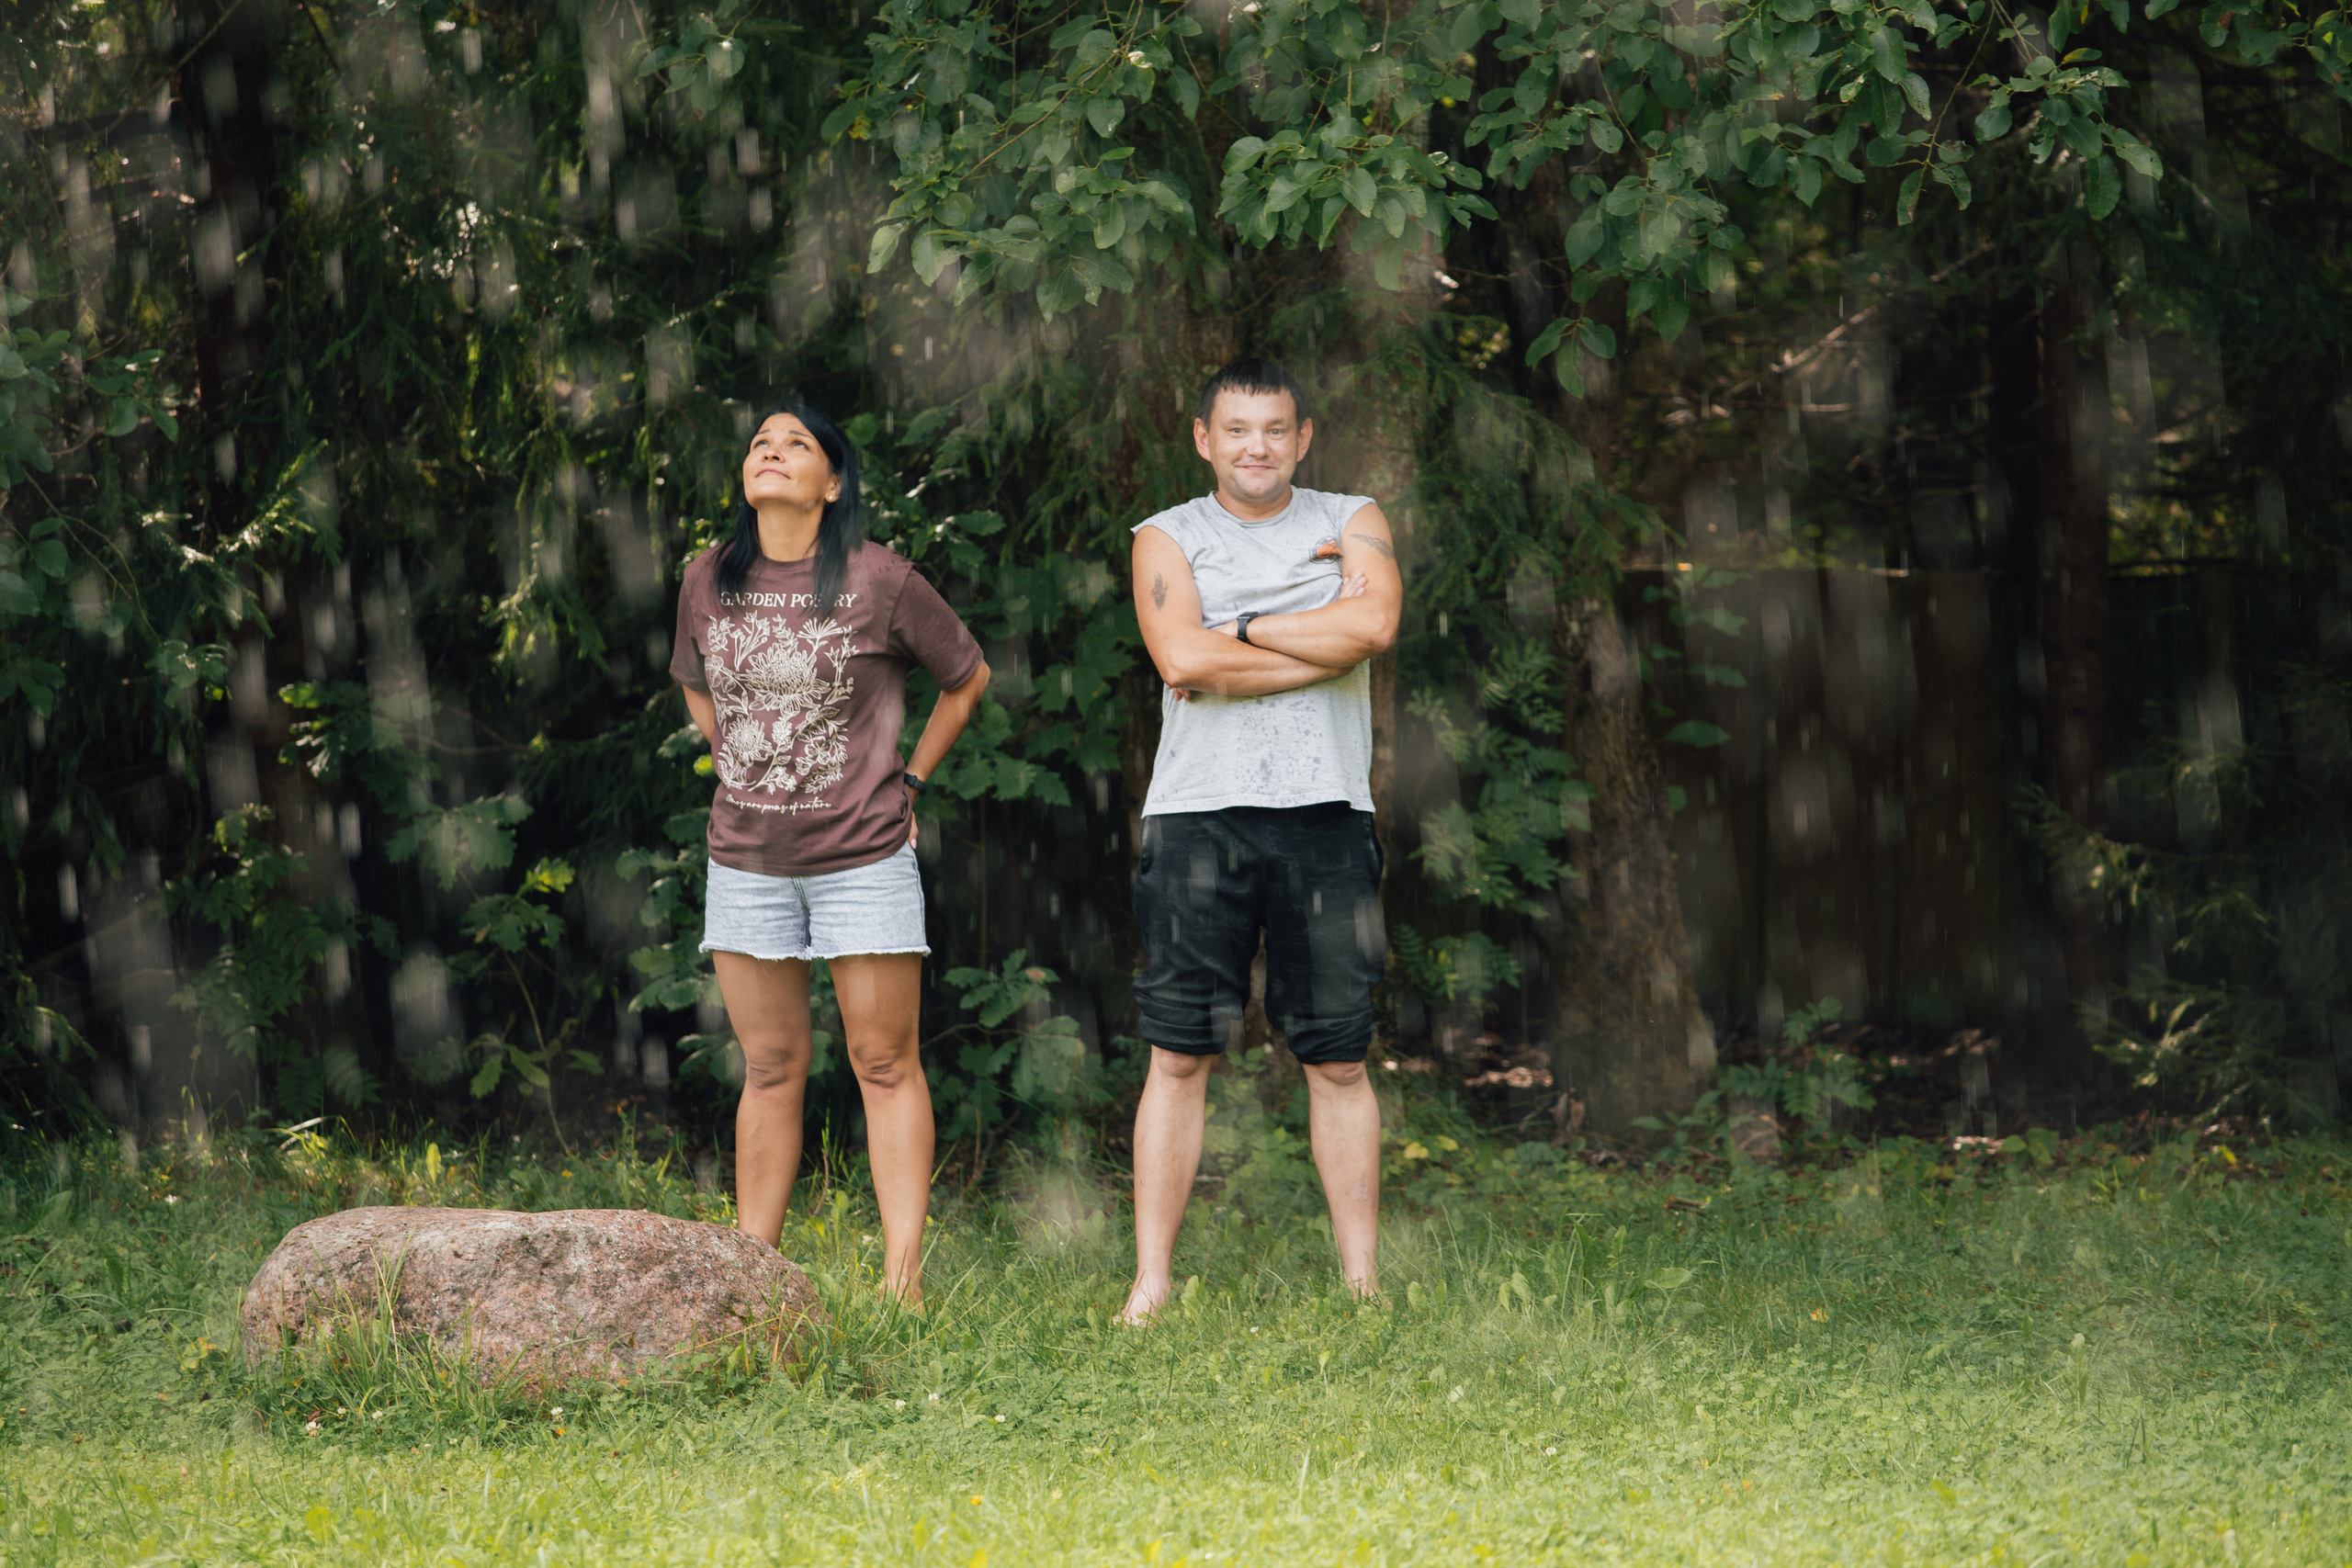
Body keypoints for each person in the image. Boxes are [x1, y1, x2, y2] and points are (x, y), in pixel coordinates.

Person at [671, 405, 989, 1305]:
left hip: (862, 855)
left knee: (883, 1063)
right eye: (760, 443)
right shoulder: (706, 580)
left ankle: (902, 1280)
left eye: (797, 444)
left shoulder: (879, 580)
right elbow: (699, 691)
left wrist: (912, 782)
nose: (772, 452)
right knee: (770, 1069)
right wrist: (744, 762)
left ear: (834, 483)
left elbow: (967, 681)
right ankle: (751, 1280)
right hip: (745, 859)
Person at [1118, 357, 1403, 1325]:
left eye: (1274, 429)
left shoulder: (1352, 519)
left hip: (1327, 815)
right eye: (1236, 429)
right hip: (1199, 814)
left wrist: (1237, 628)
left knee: (1338, 1057)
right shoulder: (1163, 537)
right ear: (1204, 438)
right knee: (1179, 1053)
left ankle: (1361, 1287)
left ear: (1303, 437)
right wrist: (1316, 637)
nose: (1255, 447)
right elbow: (1179, 657)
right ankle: (1151, 1283)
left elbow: (1376, 623)